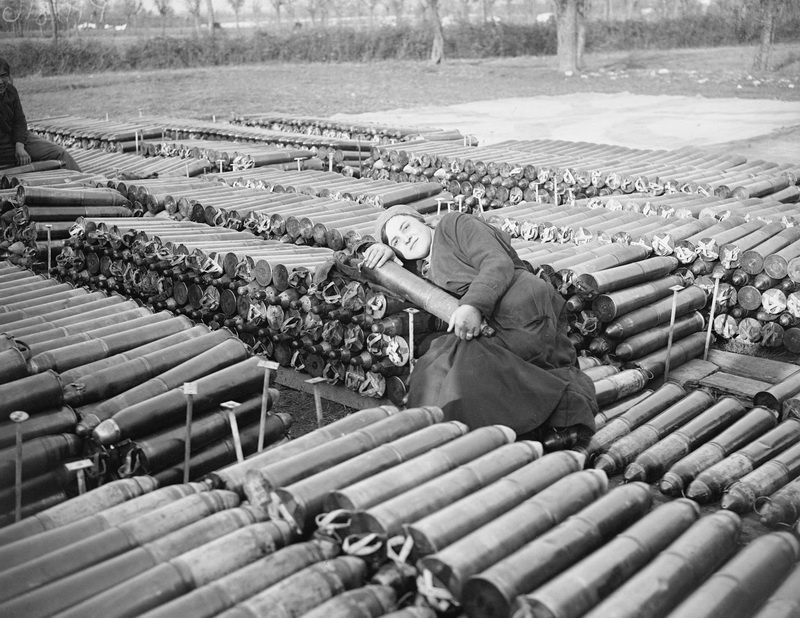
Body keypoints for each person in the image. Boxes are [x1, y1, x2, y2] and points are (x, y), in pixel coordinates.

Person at [363, 205, 597, 445]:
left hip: (521, 306)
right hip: (490, 319)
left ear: (423, 221)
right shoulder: (424, 265)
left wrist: (472, 305)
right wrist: (385, 251)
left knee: (472, 369)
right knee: (435, 364)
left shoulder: (454, 224)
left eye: (406, 227)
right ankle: (437, 437)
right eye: (396, 241)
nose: (406, 238)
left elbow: (497, 262)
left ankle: (562, 410)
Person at [0, 57, 81, 172]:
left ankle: (88, 185)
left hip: (17, 140)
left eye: (3, 76)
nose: (0, 82)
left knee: (60, 153)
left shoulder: (11, 91)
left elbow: (19, 121)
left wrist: (19, 146)